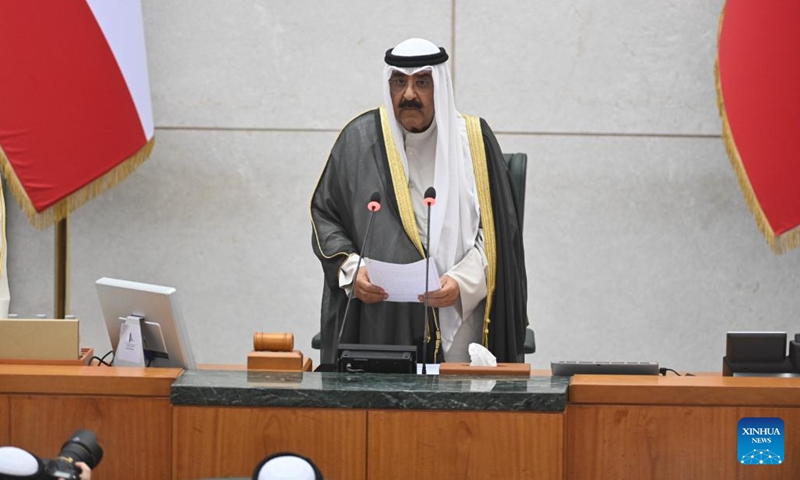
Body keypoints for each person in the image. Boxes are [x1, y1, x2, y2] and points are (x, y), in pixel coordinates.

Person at [311, 38, 527, 364]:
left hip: (460, 318)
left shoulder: (475, 142)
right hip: (380, 320)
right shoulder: (358, 141)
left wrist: (463, 282)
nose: (409, 94)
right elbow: (325, 215)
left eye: (422, 82)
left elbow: (498, 233)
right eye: (399, 81)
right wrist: (352, 269)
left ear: (439, 85)